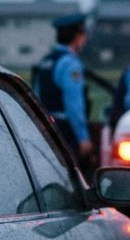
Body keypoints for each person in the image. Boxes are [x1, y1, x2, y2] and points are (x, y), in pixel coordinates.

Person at [32, 13, 92, 166]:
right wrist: (83, 138)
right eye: (83, 35)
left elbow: (36, 97)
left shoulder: (46, 61)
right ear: (77, 37)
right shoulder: (71, 64)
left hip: (45, 129)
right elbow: (73, 105)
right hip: (65, 132)